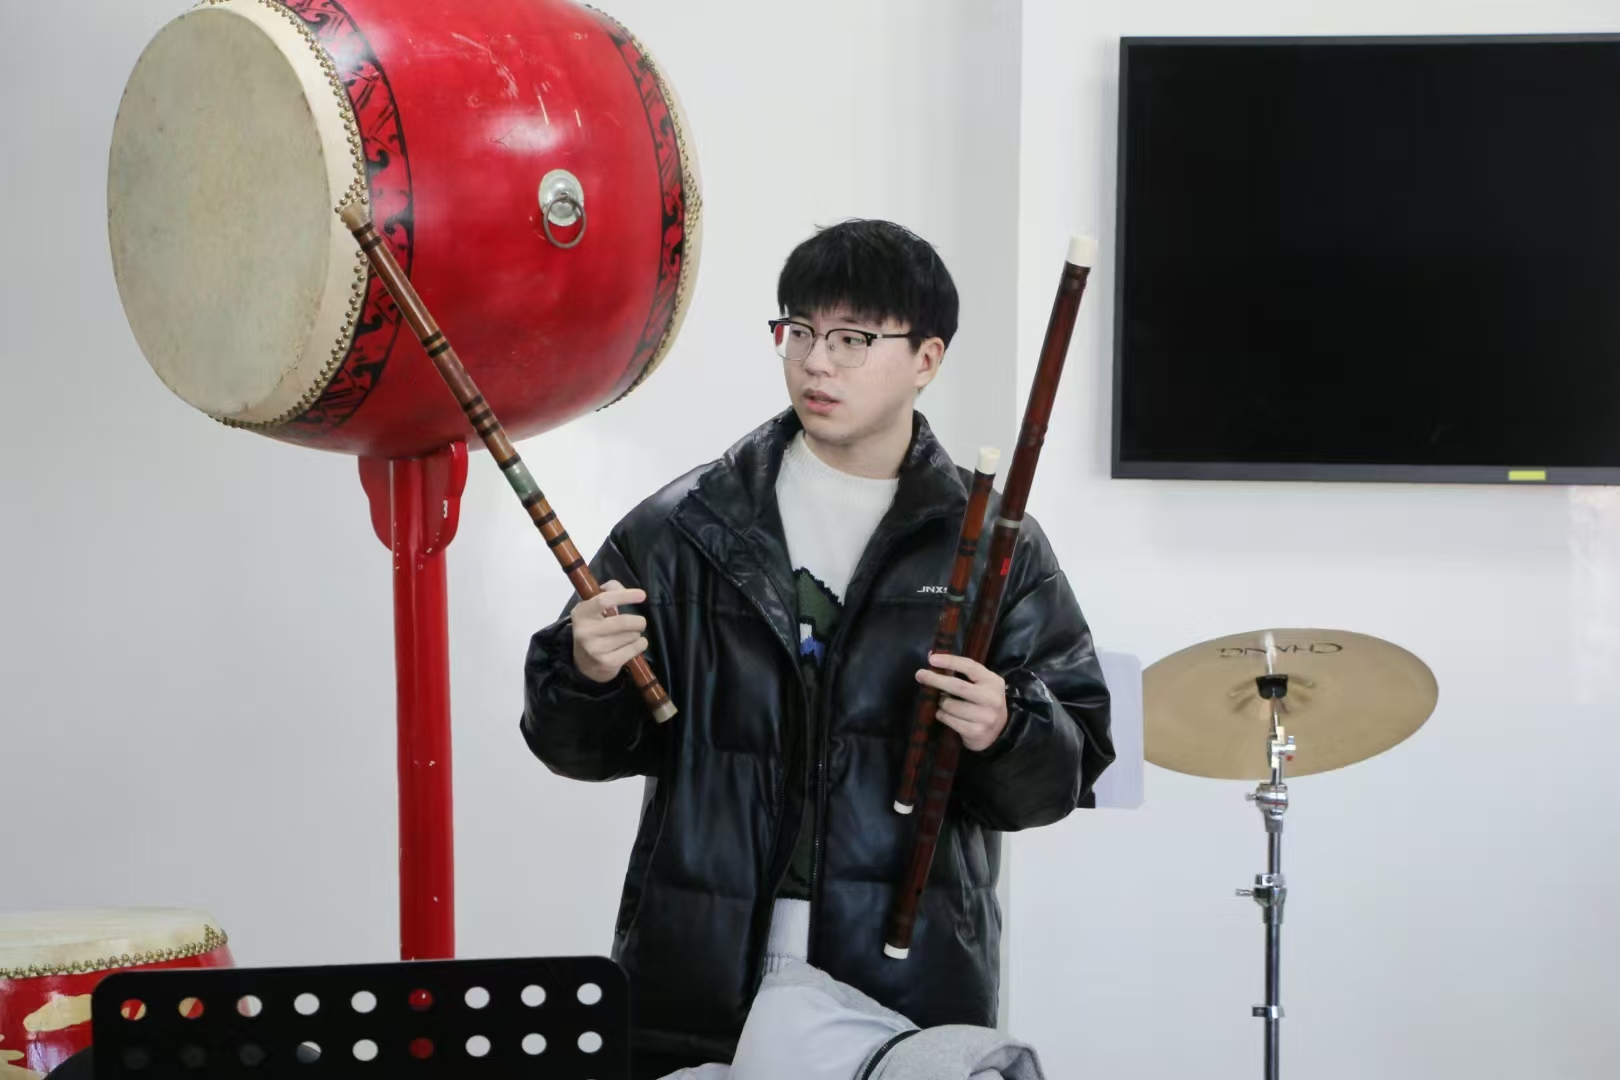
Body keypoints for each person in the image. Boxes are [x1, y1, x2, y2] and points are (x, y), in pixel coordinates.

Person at [521, 219, 1113, 1079]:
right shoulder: (687, 526)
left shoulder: (996, 547)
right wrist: (586, 673)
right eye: (798, 332)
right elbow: (574, 747)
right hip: (700, 966)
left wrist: (1007, 727)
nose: (816, 363)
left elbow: (1069, 767)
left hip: (902, 980)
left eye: (852, 339)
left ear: (927, 359)